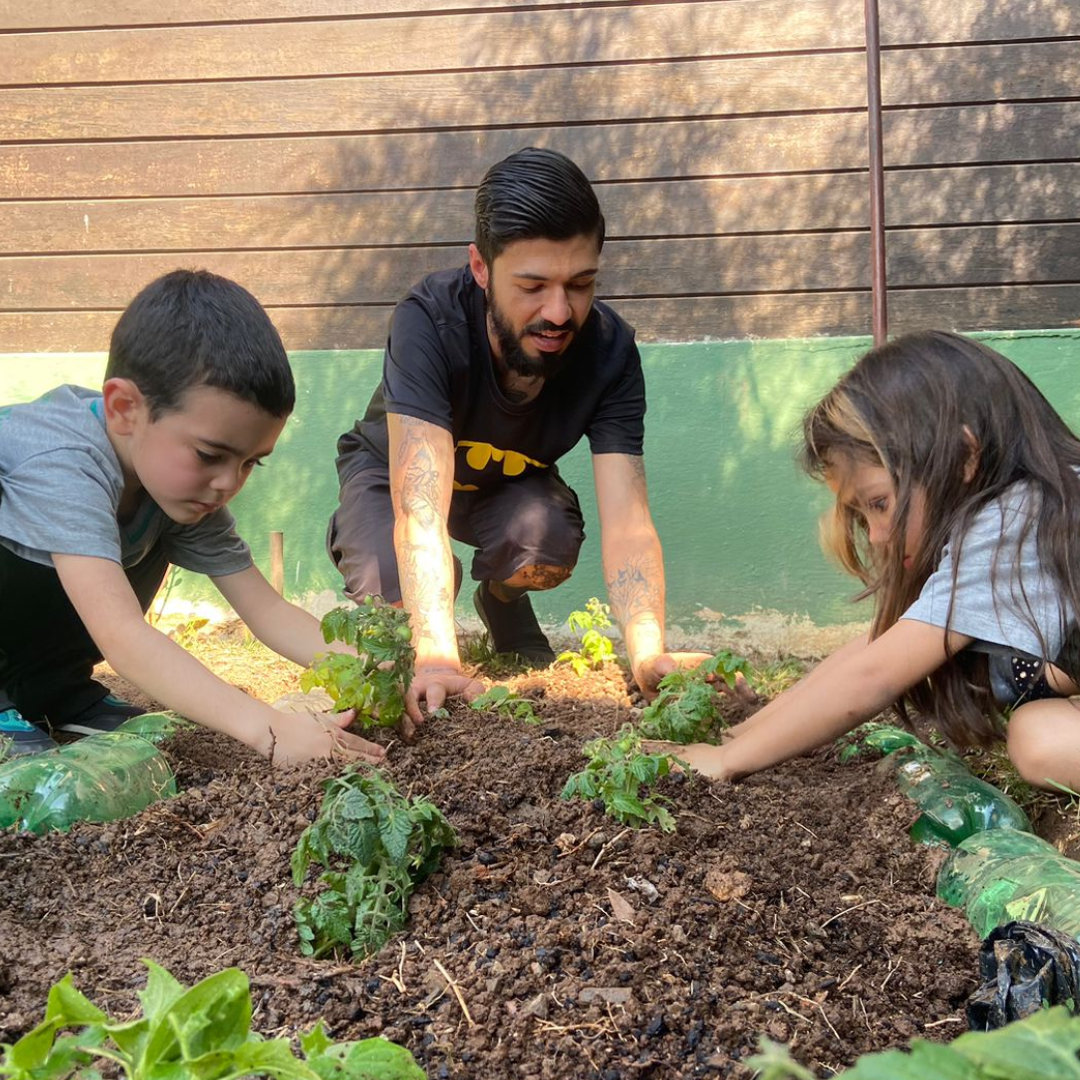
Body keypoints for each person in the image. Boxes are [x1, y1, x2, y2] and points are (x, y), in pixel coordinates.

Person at [329, 147, 712, 719]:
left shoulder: (609, 352)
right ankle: (425, 599)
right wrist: (435, 657)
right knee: (392, 607)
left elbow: (629, 522)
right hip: (394, 481)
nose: (559, 312)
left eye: (580, 284)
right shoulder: (428, 321)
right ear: (481, 268)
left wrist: (647, 650)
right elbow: (421, 509)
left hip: (507, 490)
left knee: (549, 540)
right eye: (532, 285)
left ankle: (501, 600)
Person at [0, 269, 385, 766]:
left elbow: (267, 611)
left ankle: (54, 692)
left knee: (130, 538)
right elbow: (121, 635)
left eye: (251, 462)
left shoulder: (178, 487)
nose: (229, 483)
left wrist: (379, 670)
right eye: (210, 455)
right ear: (124, 408)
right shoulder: (60, 458)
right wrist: (269, 730)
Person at [671, 330, 1080, 791]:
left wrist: (726, 761)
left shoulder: (1015, 518)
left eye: (879, 503)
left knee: (1038, 742)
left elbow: (875, 675)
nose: (879, 536)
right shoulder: (1014, 512)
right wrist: (740, 733)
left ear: (964, 456)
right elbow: (878, 644)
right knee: (1037, 730)